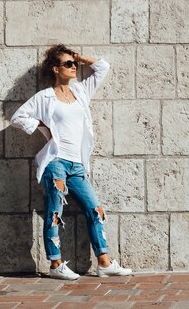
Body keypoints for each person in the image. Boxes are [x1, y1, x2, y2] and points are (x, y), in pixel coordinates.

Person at [11, 44, 132, 280]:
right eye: (68, 64)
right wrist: (41, 126)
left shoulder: (80, 92)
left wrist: (78, 56)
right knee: (54, 212)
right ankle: (55, 264)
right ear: (56, 69)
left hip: (77, 164)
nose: (74, 66)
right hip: (56, 161)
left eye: (74, 63)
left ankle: (104, 263)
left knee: (95, 209)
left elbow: (102, 67)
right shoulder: (44, 97)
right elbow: (18, 117)